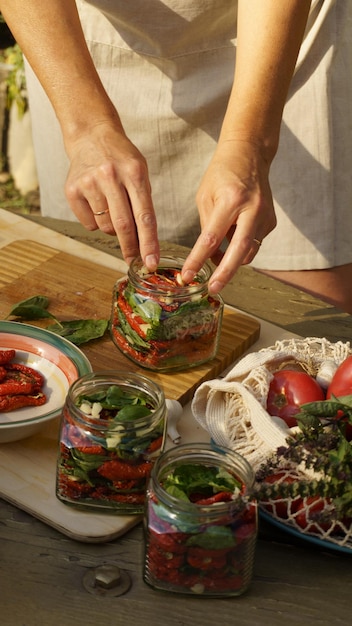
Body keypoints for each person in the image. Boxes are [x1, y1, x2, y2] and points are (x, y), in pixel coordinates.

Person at [1, 2, 351, 312]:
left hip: (282, 43)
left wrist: (251, 143)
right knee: (86, 296)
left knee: (307, 316)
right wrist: (88, 129)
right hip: (85, 48)